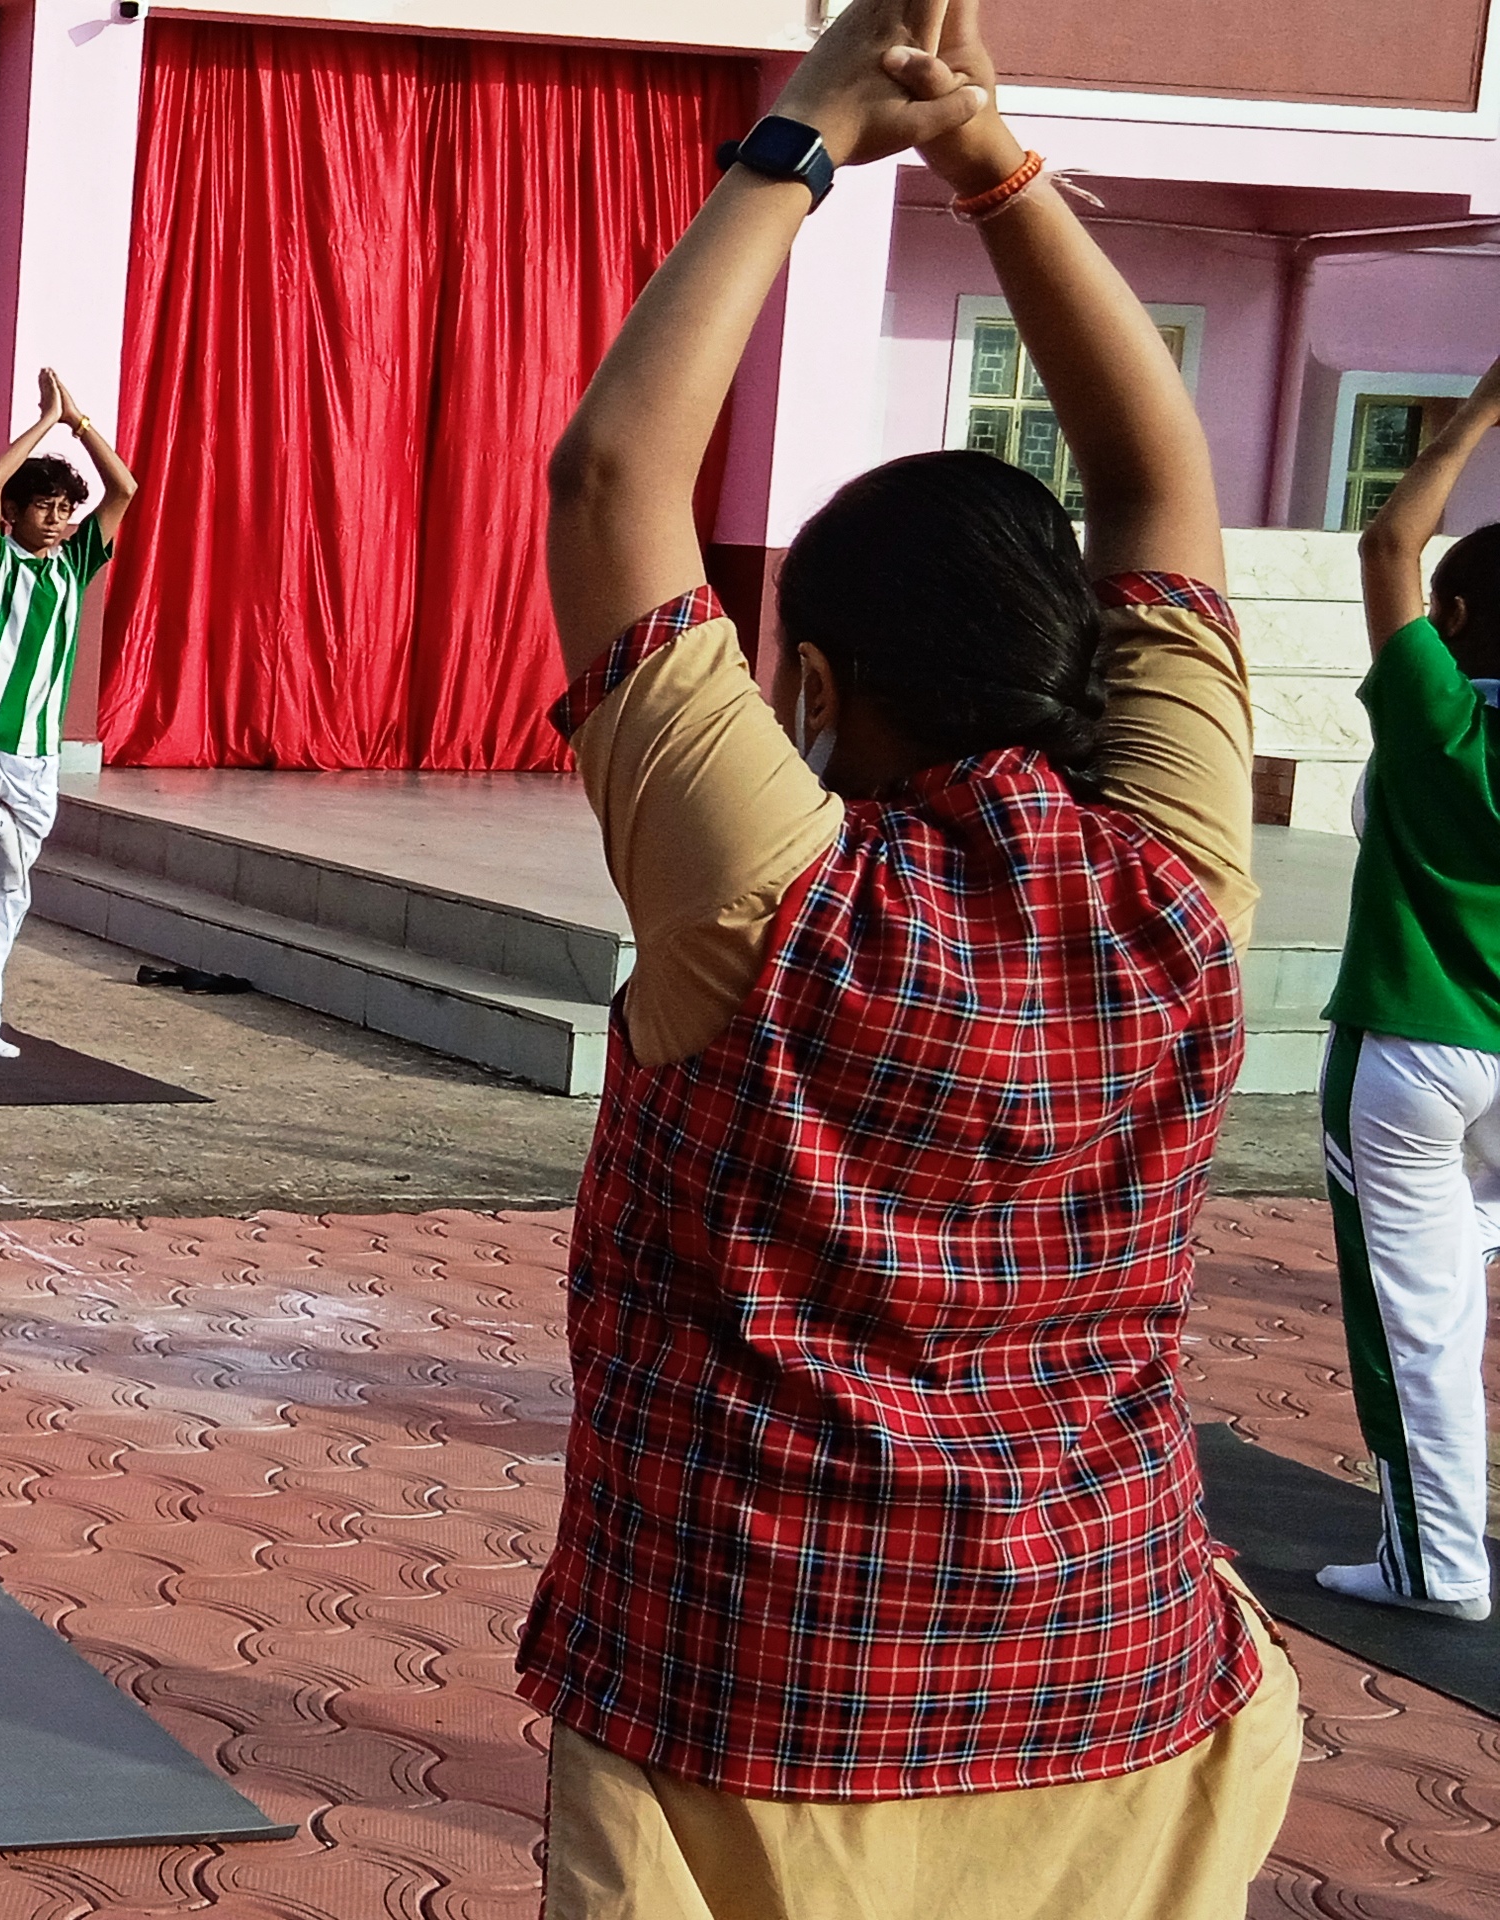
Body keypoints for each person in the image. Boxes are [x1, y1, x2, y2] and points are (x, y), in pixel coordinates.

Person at [526, 3, 1295, 1911]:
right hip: (1121, 1696)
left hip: (751, 1723)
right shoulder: (1179, 886)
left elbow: (614, 480)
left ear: (809, 680)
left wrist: (810, 123)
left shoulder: (765, 903)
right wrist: (985, 159)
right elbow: (1160, 483)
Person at [1316, 349, 1500, 1624]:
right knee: (1452, 1259)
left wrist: (1480, 406)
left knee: (1416, 1316)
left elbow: (1386, 542)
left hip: (1410, 1055)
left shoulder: (1436, 720)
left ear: (1457, 617)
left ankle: (1433, 1564)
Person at [0, 368, 134, 1055]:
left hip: (36, 759)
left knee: (8, 895)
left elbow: (124, 490)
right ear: (17, 514)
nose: (56, 517)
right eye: (44, 506)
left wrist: (80, 423)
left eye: (64, 508)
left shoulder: (75, 563)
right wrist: (46, 420)